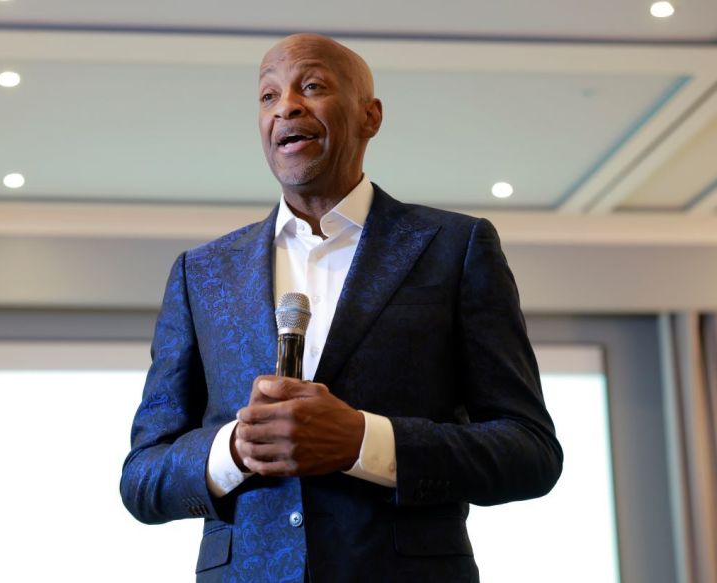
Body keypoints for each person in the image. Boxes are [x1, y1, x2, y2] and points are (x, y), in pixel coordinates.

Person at [121, 33, 563, 583]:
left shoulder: (455, 247)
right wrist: (233, 450)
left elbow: (530, 452)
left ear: (370, 116)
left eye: (312, 86)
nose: (287, 105)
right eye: (268, 96)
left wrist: (361, 440)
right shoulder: (202, 273)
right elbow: (142, 478)